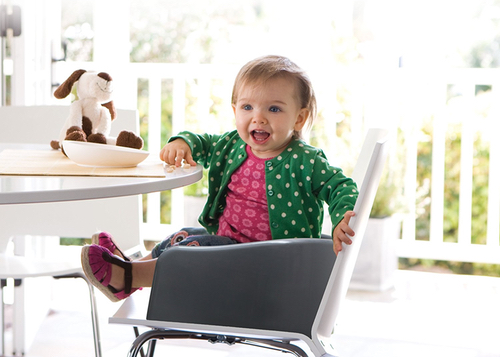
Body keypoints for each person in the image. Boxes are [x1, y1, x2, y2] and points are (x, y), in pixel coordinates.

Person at [81, 55, 358, 302]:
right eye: (248, 107)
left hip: (268, 264)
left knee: (192, 251)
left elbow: (340, 186)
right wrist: (183, 142)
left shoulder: (305, 160)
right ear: (235, 109)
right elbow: (204, 142)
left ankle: (127, 276)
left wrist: (341, 218)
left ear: (299, 119)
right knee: (182, 237)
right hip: (229, 246)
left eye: (273, 109)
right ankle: (130, 267)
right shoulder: (233, 145)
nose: (258, 118)